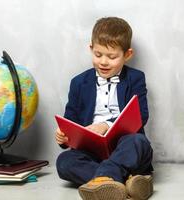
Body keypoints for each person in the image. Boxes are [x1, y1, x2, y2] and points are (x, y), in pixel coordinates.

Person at [55, 17, 154, 200]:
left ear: (128, 54)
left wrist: (106, 125)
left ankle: (104, 179)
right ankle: (128, 182)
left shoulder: (136, 78)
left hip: (127, 150)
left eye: (112, 57)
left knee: (138, 142)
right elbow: (70, 121)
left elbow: (141, 117)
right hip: (93, 153)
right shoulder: (78, 83)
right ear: (91, 48)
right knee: (64, 162)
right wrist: (63, 137)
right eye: (98, 54)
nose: (104, 62)